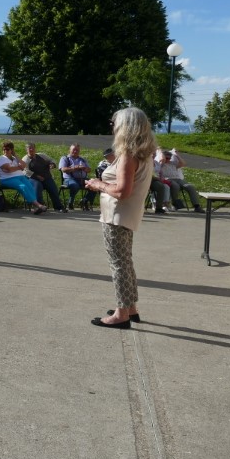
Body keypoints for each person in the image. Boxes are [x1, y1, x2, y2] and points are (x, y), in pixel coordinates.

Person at [86, 108, 156, 329]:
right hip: (127, 214)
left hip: (117, 215)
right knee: (125, 262)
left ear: (125, 126)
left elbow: (122, 191)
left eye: (114, 122)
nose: (112, 126)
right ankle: (130, 307)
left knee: (119, 264)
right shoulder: (144, 152)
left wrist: (98, 184)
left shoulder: (128, 154)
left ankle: (121, 314)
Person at [0, 141, 47, 215]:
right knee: (23, 187)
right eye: (4, 149)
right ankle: (38, 205)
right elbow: (9, 169)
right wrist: (19, 167)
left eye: (7, 149)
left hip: (20, 177)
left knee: (30, 186)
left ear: (12, 150)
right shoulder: (2, 158)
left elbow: (24, 165)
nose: (5, 151)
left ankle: (35, 207)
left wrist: (16, 156)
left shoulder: (14, 158)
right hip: (7, 179)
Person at [22, 142, 66, 213]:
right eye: (29, 148)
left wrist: (52, 164)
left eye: (33, 147)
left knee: (52, 187)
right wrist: (37, 176)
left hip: (46, 177)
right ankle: (39, 206)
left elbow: (52, 160)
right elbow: (26, 171)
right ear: (26, 150)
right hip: (33, 178)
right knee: (37, 186)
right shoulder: (25, 159)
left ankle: (58, 207)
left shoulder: (41, 155)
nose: (31, 149)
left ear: (35, 149)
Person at [157, 148, 204, 213]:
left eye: (169, 158)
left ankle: (196, 206)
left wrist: (176, 155)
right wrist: (161, 153)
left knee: (190, 186)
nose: (168, 160)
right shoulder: (161, 164)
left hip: (178, 179)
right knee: (176, 186)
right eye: (167, 158)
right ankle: (175, 204)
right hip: (168, 179)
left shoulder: (173, 163)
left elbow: (183, 163)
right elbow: (162, 159)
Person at [59, 144, 97, 210]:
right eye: (74, 150)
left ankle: (84, 201)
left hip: (82, 179)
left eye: (77, 150)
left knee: (95, 185)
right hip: (69, 179)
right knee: (75, 185)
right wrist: (75, 168)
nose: (75, 151)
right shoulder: (65, 158)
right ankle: (70, 202)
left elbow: (89, 170)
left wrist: (84, 168)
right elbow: (63, 169)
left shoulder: (82, 159)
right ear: (69, 150)